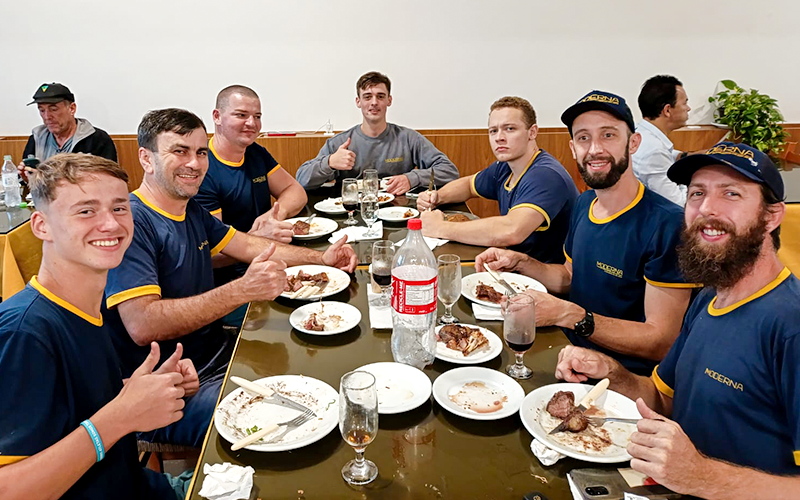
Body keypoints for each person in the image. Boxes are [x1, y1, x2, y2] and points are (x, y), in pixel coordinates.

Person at [555, 142, 800, 497]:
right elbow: (663, 398)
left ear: (772, 215)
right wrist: (610, 371)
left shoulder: (790, 324)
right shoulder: (708, 300)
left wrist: (701, 476)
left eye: (731, 193)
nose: (707, 209)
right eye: (697, 193)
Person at [105, 108, 357, 448]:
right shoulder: (133, 223)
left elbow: (249, 245)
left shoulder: (188, 209)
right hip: (168, 392)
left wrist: (322, 260)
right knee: (294, 422)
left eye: (200, 152)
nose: (194, 163)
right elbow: (142, 324)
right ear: (146, 159)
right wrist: (241, 290)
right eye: (179, 151)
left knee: (319, 377)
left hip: (220, 357)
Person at [0, 154, 194, 499]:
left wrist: (141, 390)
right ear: (41, 225)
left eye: (120, 208)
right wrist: (121, 416)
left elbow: (70, 405)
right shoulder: (23, 333)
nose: (111, 224)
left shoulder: (90, 306)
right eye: (86, 211)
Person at [476, 91, 699, 375]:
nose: (594, 149)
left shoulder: (668, 225)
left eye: (608, 135)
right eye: (583, 138)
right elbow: (569, 277)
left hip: (619, 376)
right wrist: (521, 262)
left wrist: (570, 315)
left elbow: (661, 341)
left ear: (633, 143)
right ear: (572, 148)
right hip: (564, 349)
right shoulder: (585, 203)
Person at [417, 96, 578, 263]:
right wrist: (435, 197)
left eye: (509, 129)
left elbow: (511, 230)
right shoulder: (505, 166)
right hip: (514, 266)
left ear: (532, 132)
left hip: (544, 280)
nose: (499, 137)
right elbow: (468, 185)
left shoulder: (546, 175)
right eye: (493, 130)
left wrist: (439, 227)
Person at [296, 71, 459, 195]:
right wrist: (330, 162)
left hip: (398, 212)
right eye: (367, 97)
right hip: (351, 214)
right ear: (358, 102)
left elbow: (449, 171)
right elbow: (301, 180)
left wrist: (412, 178)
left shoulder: (408, 138)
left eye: (380, 96)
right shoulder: (340, 143)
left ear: (389, 100)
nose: (374, 102)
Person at [195, 85, 308, 246]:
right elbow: (211, 249)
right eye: (241, 115)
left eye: (257, 117)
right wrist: (258, 237)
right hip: (235, 267)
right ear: (217, 116)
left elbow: (296, 191)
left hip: (270, 251)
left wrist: (274, 215)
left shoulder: (256, 152)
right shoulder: (201, 168)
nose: (252, 123)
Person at [18, 83, 117, 181]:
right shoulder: (36, 138)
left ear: (72, 108)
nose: (47, 117)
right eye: (42, 110)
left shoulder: (97, 139)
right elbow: (28, 181)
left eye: (53, 109)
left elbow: (110, 180)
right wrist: (28, 179)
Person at [632, 75, 691, 205]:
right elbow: (678, 203)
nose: (688, 108)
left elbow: (667, 155)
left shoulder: (640, 132)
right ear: (667, 110)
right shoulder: (653, 151)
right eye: (685, 103)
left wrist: (685, 156)